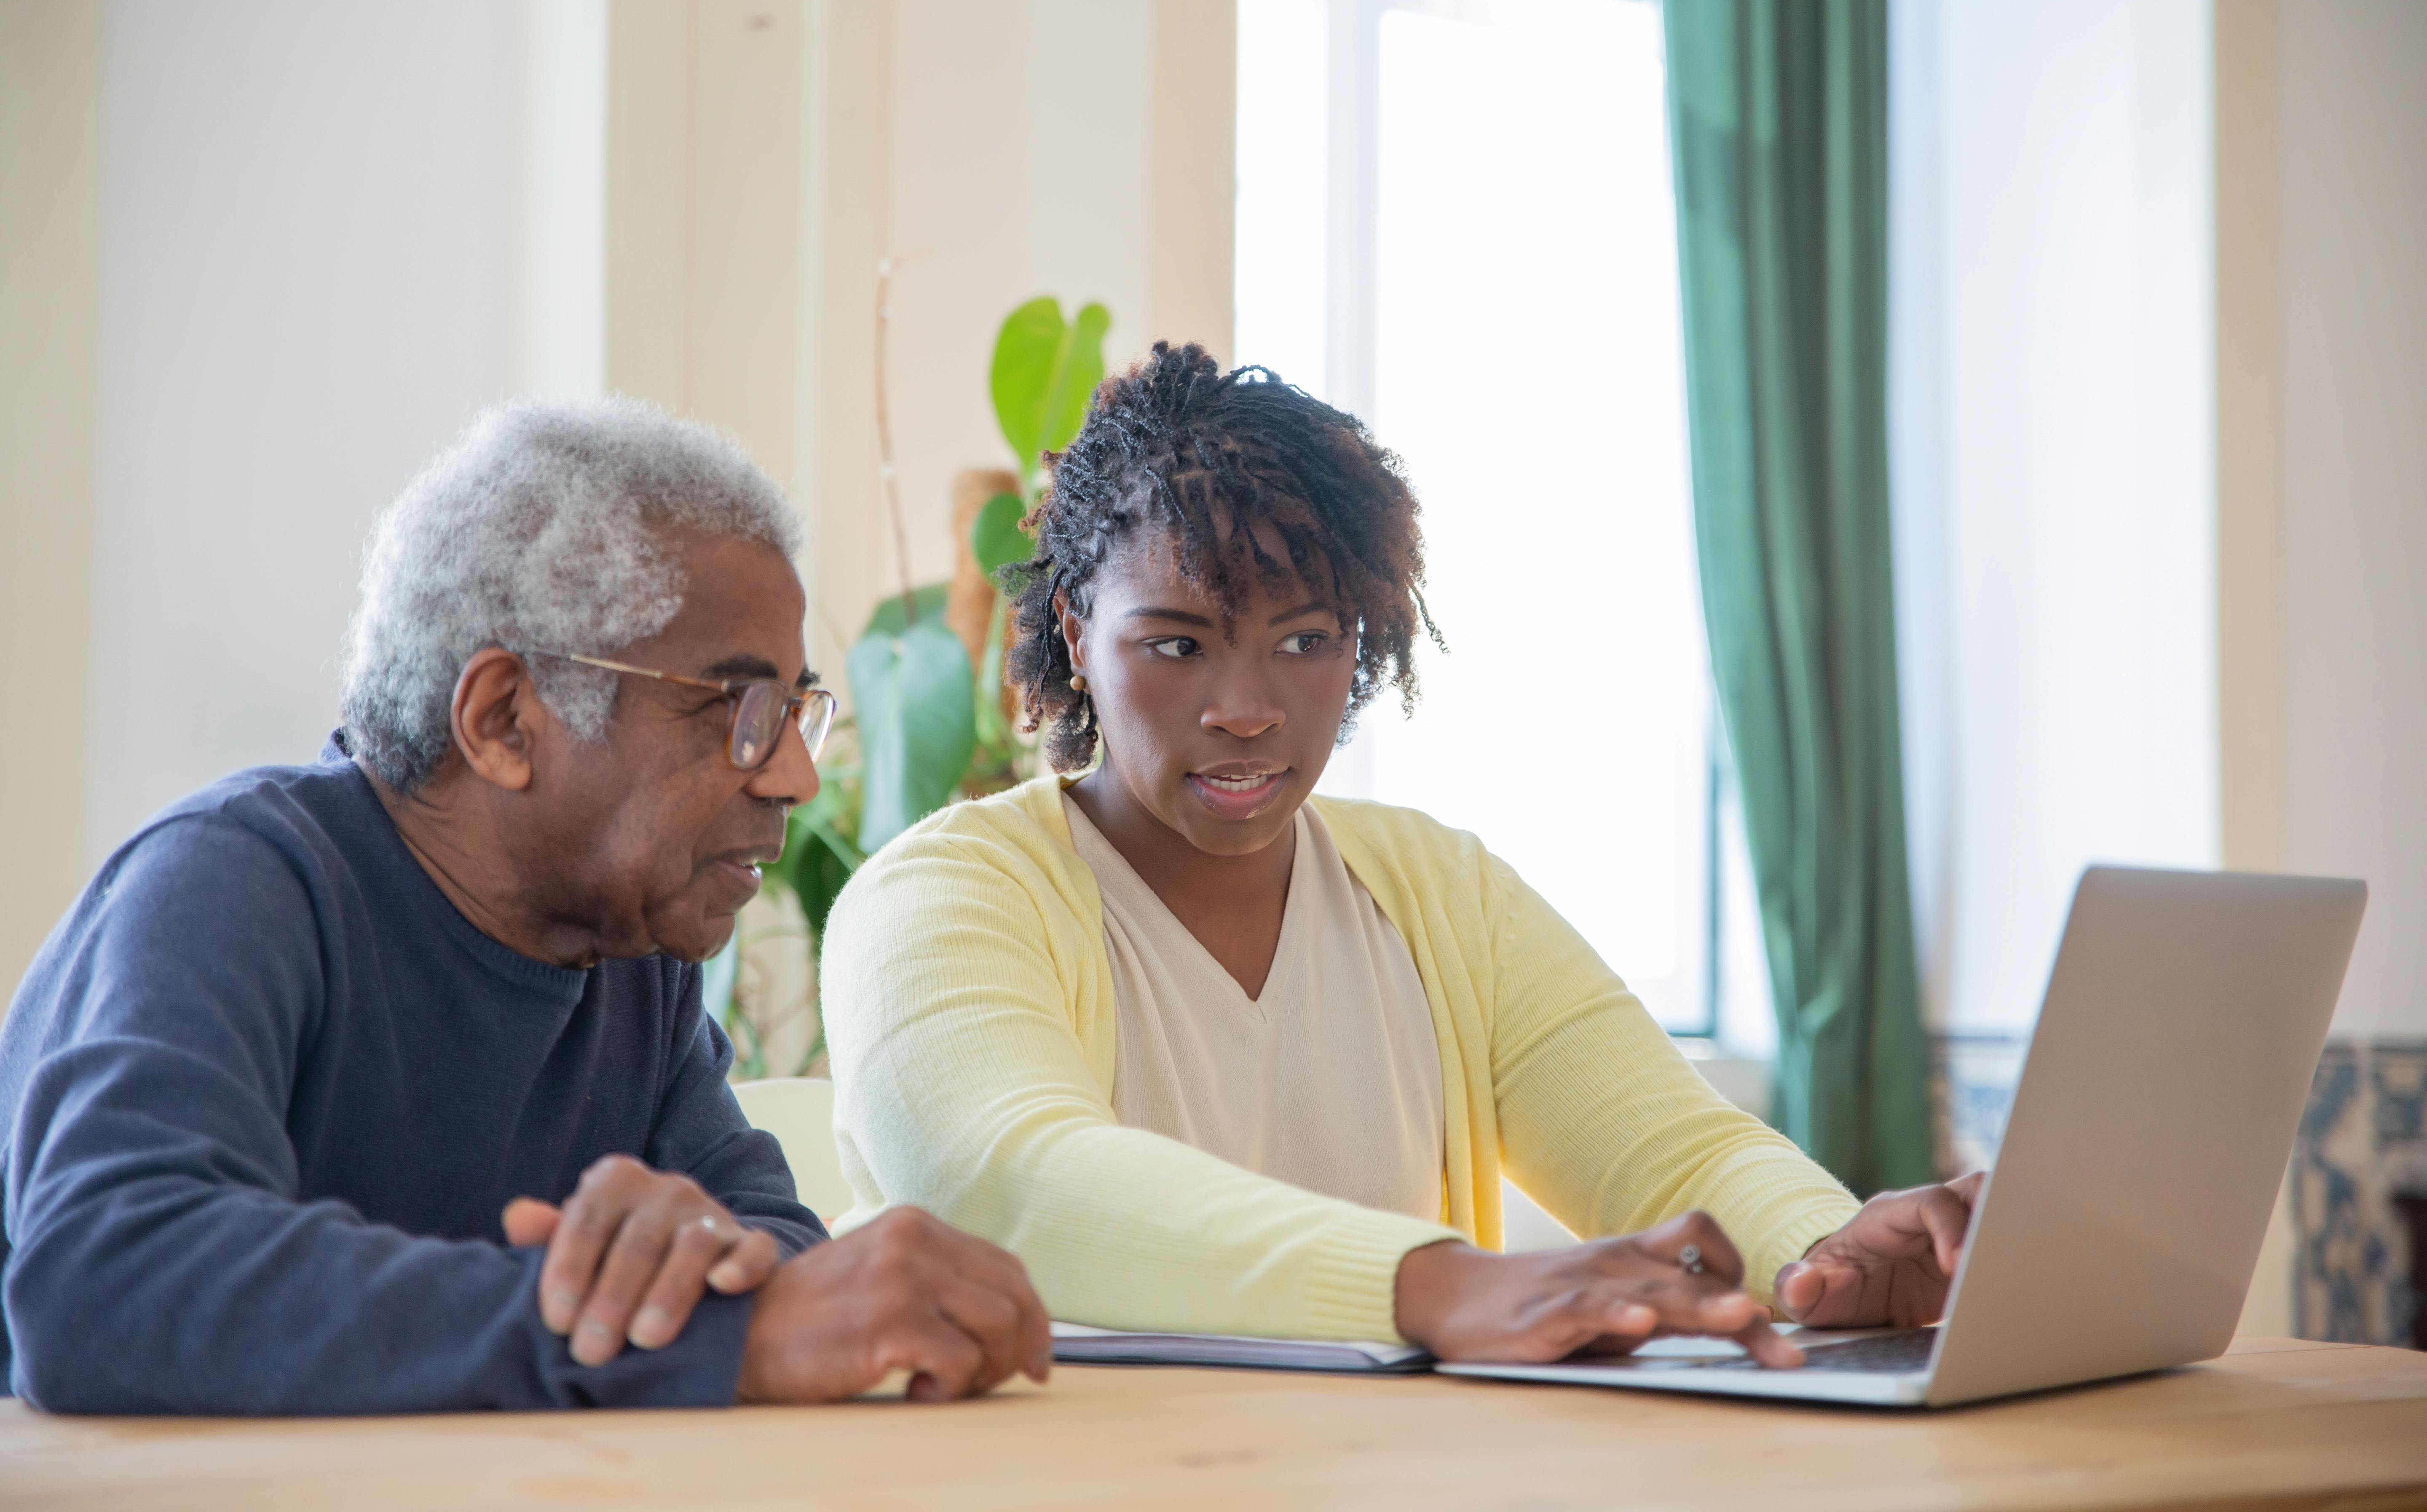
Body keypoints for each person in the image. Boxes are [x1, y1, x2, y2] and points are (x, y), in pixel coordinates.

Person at [821, 345, 1984, 1366]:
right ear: (1076, 632)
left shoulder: (1442, 894)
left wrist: (1826, 1259)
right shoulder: (940, 901)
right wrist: (1438, 1285)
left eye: (1306, 642)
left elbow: (1670, 1149)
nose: (1246, 708)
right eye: (1175, 644)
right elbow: (1013, 1183)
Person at [0, 401, 1049, 1413]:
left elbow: (769, 1235)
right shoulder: (232, 886)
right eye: (737, 711)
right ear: (503, 719)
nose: (792, 779)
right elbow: (106, 1277)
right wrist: (692, 1335)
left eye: (793, 713)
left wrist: (706, 1277)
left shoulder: (632, 955)